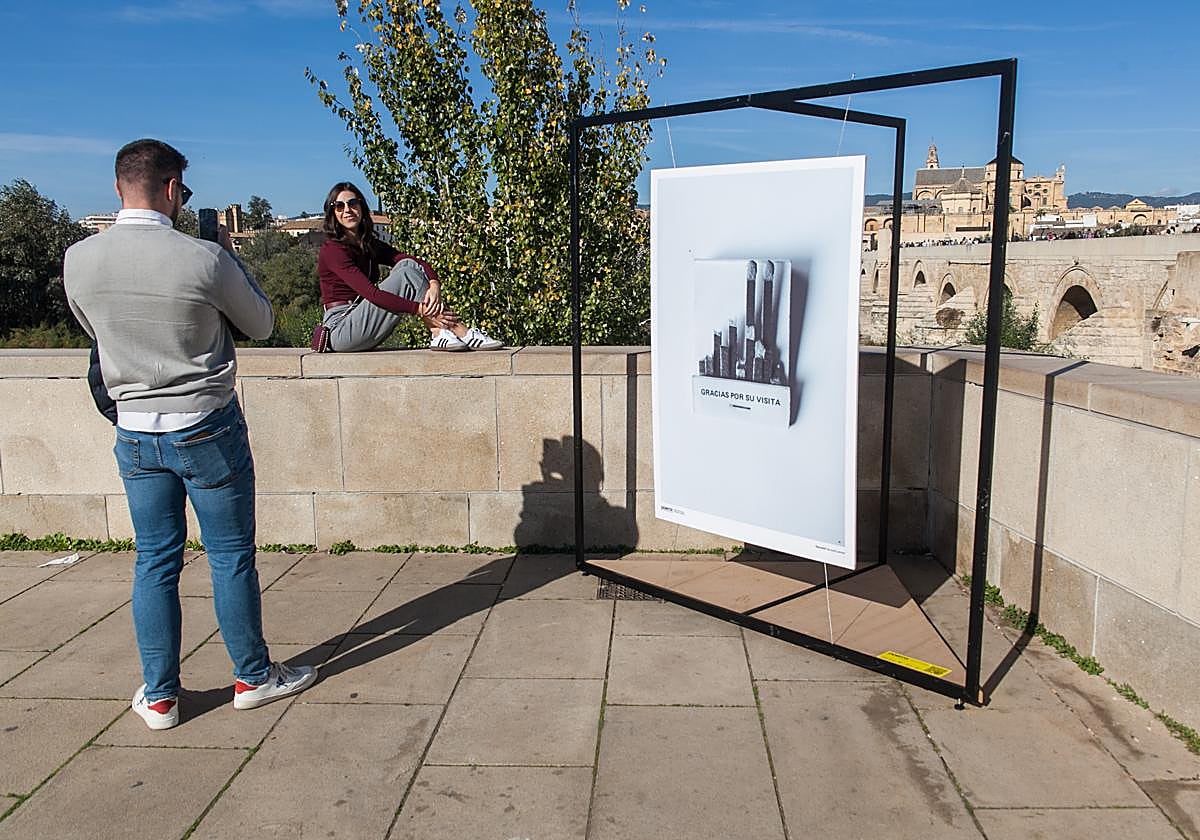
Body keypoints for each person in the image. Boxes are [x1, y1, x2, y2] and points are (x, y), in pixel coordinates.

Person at [63, 138, 316, 731]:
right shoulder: (203, 258)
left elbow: (95, 330)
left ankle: (160, 696)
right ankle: (253, 676)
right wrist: (228, 259)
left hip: (134, 431)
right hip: (205, 425)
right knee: (229, 557)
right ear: (174, 190)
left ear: (119, 187)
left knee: (154, 560)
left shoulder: (79, 259)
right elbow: (262, 322)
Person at [317, 181, 503, 352]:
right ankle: (459, 330)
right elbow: (372, 295)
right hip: (341, 329)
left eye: (353, 203)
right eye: (339, 206)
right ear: (333, 213)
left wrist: (434, 283)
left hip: (363, 322)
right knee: (406, 274)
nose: (347, 210)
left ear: (362, 206)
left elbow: (415, 262)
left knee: (407, 265)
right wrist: (418, 309)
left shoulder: (367, 244)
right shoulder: (332, 250)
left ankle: (439, 333)